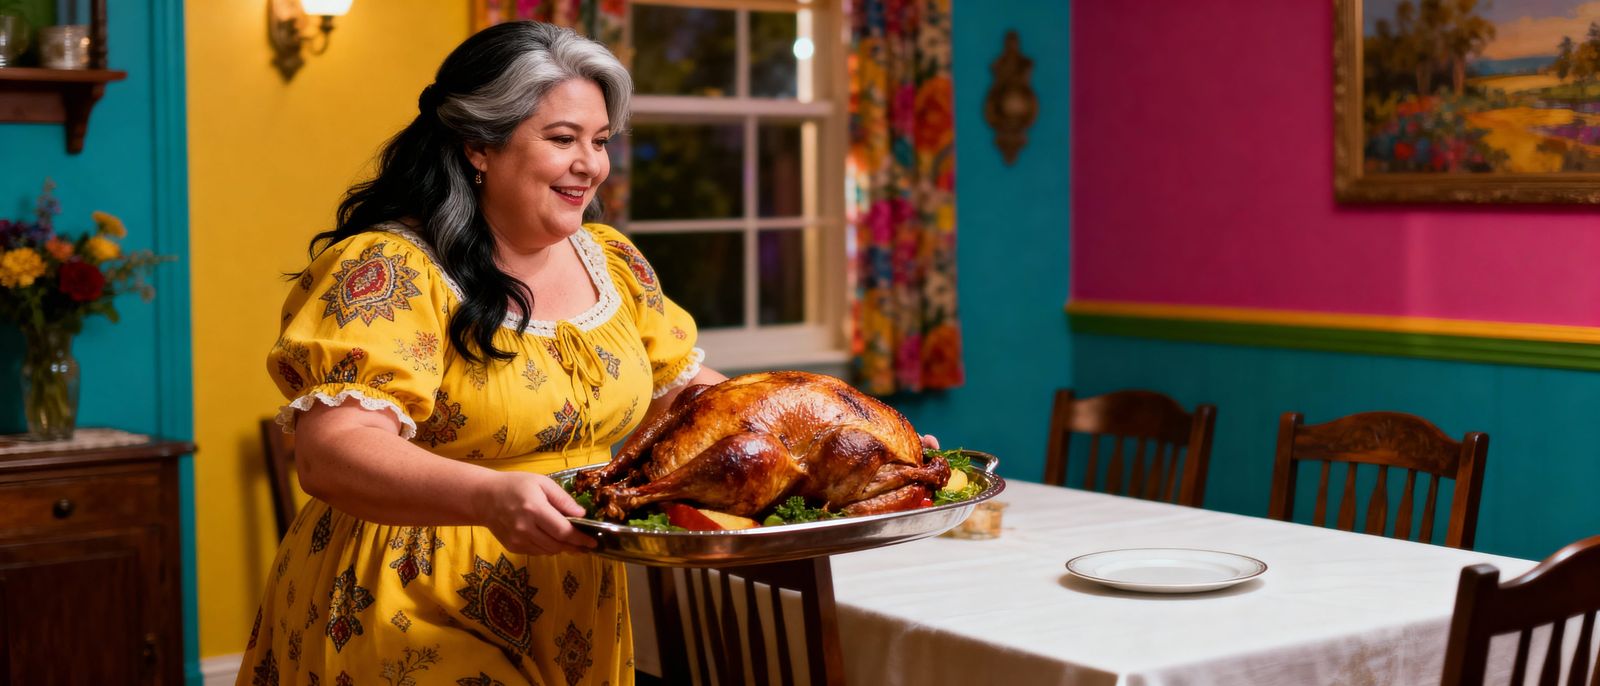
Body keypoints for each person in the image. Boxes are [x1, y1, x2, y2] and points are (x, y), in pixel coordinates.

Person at [240, 21, 725, 685]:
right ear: (479, 145)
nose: (592, 164)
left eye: (600, 141)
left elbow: (688, 399)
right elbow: (331, 452)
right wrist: (489, 497)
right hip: (407, 592)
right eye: (563, 139)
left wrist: (845, 435)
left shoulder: (612, 264)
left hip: (574, 595)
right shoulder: (385, 270)